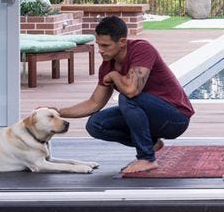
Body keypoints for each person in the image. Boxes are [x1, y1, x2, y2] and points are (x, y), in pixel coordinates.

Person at [57, 16, 195, 175]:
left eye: (105, 45)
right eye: (98, 45)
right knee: (95, 124)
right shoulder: (107, 65)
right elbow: (94, 103)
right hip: (149, 116)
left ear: (122, 42)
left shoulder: (142, 49)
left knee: (127, 97)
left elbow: (131, 90)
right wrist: (57, 112)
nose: (100, 50)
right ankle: (151, 144)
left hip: (175, 118)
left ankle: (146, 158)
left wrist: (115, 76)